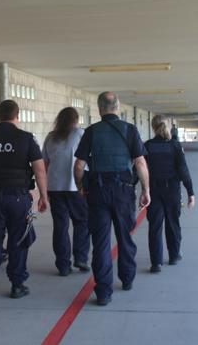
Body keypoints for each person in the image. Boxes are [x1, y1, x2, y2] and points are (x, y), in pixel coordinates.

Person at [0, 100, 49, 305]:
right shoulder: (26, 138)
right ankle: (17, 284)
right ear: (17, 115)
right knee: (19, 240)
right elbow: (39, 169)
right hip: (18, 197)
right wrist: (44, 196)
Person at [74, 91, 150, 306]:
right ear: (117, 107)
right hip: (123, 191)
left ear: (100, 109)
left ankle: (104, 292)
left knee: (101, 242)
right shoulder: (130, 130)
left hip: (97, 192)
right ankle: (127, 279)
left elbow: (79, 166)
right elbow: (140, 163)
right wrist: (146, 190)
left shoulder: (91, 132)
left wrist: (80, 186)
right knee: (125, 237)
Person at [144, 115, 195, 273]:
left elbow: (140, 169)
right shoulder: (175, 145)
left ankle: (156, 263)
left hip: (154, 190)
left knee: (155, 226)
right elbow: (183, 170)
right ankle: (173, 255)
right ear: (168, 126)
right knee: (173, 223)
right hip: (172, 189)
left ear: (152, 127)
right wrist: (190, 192)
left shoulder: (147, 146)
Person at [43, 107, 90, 276]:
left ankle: (63, 265)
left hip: (55, 187)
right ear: (76, 119)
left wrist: (45, 188)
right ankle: (81, 257)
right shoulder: (80, 134)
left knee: (60, 226)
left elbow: (45, 164)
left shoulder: (50, 137)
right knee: (82, 222)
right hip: (75, 187)